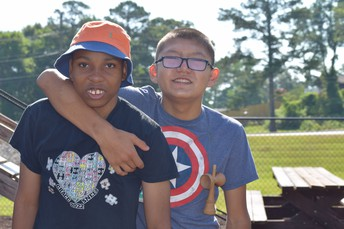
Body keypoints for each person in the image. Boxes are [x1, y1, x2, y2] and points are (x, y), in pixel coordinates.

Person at [37, 27, 258, 228]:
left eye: (197, 62)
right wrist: (105, 133)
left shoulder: (230, 132)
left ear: (212, 76)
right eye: (171, 60)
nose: (183, 69)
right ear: (154, 72)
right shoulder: (133, 102)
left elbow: (238, 218)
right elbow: (49, 80)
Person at [10, 20, 178, 229]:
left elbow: (159, 223)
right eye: (83, 65)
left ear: (124, 71)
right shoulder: (39, 118)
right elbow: (26, 202)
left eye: (109, 66)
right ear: (70, 68)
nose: (96, 76)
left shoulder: (146, 134)